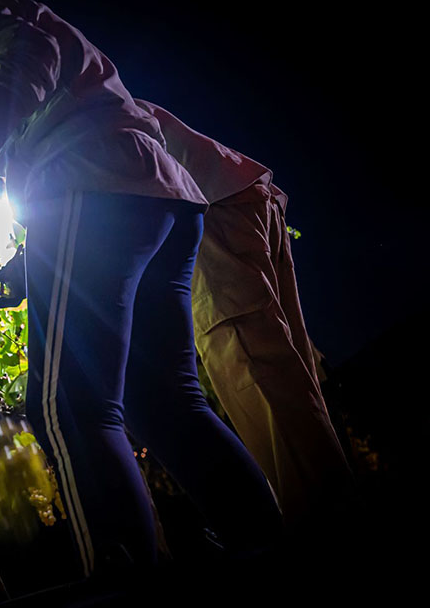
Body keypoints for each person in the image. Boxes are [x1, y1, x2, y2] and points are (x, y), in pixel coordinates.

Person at [0, 0, 283, 585]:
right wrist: (29, 265)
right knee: (163, 402)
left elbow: (26, 61)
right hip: (157, 199)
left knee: (66, 407)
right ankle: (268, 546)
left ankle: (121, 579)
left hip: (92, 184)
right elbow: (30, 112)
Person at [130, 99, 359, 538]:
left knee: (255, 373)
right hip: (241, 196)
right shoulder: (86, 86)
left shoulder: (55, 121)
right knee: (291, 383)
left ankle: (327, 537)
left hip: (213, 214)